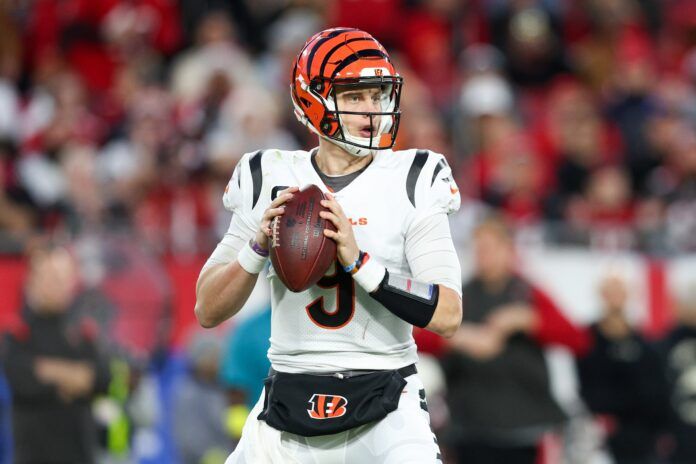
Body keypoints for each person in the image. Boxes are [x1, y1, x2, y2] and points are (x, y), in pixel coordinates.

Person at [195, 27, 463, 463]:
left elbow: (448, 314)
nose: (372, 110)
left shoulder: (414, 177)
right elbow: (207, 309)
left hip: (386, 398)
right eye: (355, 96)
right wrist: (257, 247)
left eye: (377, 95)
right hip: (287, 396)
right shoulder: (268, 175)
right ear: (312, 99)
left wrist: (361, 264)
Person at [440, 217, 590, 464]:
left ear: (509, 250)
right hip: (470, 424)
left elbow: (578, 339)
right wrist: (457, 338)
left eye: (489, 248)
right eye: (478, 249)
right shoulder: (459, 294)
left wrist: (531, 321)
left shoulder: (528, 293)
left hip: (525, 428)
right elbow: (417, 336)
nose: (482, 256)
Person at [2, 245, 111, 464]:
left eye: (61, 278)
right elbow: (21, 379)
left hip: (80, 455)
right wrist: (76, 377)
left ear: (73, 282)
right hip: (33, 456)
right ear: (31, 280)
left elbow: (101, 379)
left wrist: (46, 370)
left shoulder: (84, 332)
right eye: (48, 277)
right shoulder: (17, 331)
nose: (54, 285)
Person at [576, 274, 667, 464]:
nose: (614, 298)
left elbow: (655, 394)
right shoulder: (586, 340)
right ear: (601, 295)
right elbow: (588, 393)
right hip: (600, 440)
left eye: (619, 291)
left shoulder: (645, 344)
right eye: (610, 292)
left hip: (641, 441)